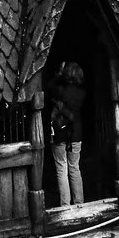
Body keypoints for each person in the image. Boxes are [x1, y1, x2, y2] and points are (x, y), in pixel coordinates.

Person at [48, 62, 87, 207]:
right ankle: (79, 203)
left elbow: (48, 87)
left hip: (60, 132)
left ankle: (65, 205)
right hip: (76, 133)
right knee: (75, 168)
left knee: (61, 168)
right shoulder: (82, 93)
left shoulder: (59, 91)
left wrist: (58, 74)